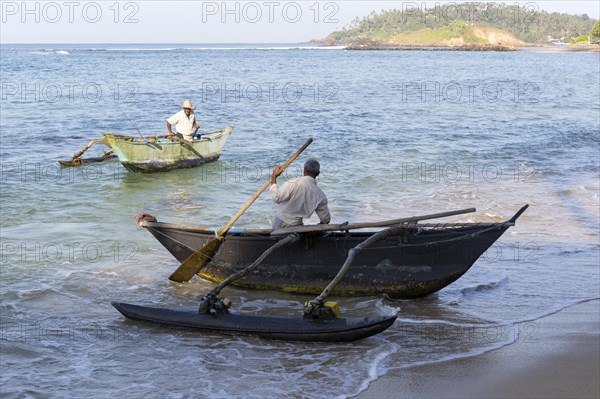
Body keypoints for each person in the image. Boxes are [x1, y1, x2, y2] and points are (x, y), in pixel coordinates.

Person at [270, 159, 330, 229]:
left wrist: (274, 176)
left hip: (280, 221)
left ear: (304, 169)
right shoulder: (320, 195)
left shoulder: (292, 183)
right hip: (297, 226)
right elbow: (325, 220)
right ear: (318, 173)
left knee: (274, 239)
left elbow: (276, 198)